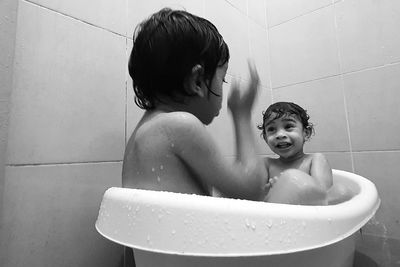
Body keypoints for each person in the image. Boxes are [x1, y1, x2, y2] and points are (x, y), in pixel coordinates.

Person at [122, 8, 269, 201]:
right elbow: (251, 190)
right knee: (296, 187)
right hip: (179, 231)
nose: (223, 87)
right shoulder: (179, 125)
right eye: (222, 79)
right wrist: (242, 115)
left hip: (159, 229)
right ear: (197, 81)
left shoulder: (141, 134)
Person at [257, 102, 351, 205]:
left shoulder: (314, 160)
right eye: (271, 129)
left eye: (288, 126)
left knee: (342, 192)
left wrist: (292, 188)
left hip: (309, 214)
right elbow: (252, 201)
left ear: (306, 133)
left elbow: (322, 195)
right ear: (266, 138)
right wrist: (266, 194)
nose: (280, 135)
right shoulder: (266, 164)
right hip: (276, 216)